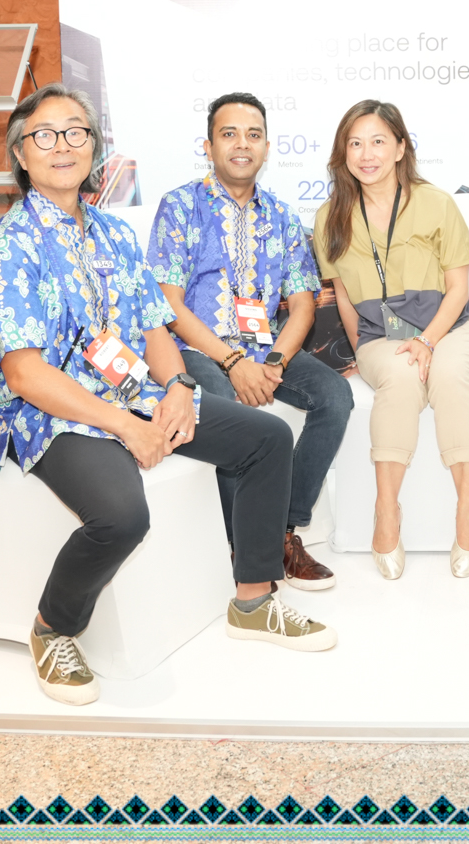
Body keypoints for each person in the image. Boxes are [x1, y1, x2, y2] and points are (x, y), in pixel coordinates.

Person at [0, 83, 335, 707]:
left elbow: (152, 328)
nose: (63, 146)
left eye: (76, 132)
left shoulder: (112, 233)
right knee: (122, 516)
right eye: (45, 135)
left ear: (94, 148)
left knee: (267, 438)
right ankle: (53, 628)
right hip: (53, 414)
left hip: (134, 392)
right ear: (21, 156)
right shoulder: (9, 246)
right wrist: (126, 425)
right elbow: (25, 374)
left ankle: (253, 600)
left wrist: (179, 386)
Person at [148, 91, 353, 592]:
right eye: (229, 134)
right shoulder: (180, 206)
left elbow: (302, 305)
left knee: (334, 396)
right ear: (208, 146)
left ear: (266, 147)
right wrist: (233, 360)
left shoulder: (281, 214)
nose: (242, 144)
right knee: (222, 408)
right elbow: (169, 306)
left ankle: (281, 530)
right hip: (197, 349)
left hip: (265, 348)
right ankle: (241, 544)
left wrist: (276, 361)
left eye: (253, 135)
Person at [313, 99, 469, 580]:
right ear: (343, 154)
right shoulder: (330, 217)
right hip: (381, 338)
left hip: (450, 329)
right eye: (355, 143)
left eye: (377, 141)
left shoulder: (436, 203)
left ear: (400, 148)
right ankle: (386, 508)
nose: (366, 154)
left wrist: (428, 341)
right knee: (399, 375)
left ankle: (468, 506)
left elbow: (459, 290)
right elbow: (344, 297)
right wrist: (361, 349)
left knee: (449, 377)